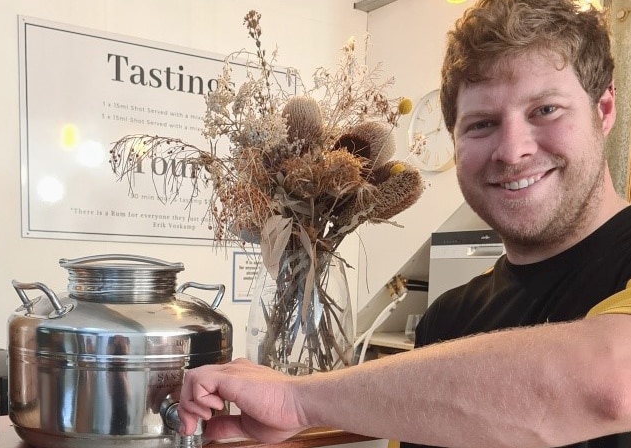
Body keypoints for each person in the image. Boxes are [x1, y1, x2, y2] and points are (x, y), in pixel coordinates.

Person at [177, 0, 631, 446]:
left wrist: (297, 400)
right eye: (482, 124)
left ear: (604, 109)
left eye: (545, 110)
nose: (512, 151)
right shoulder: (447, 321)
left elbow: (612, 385)